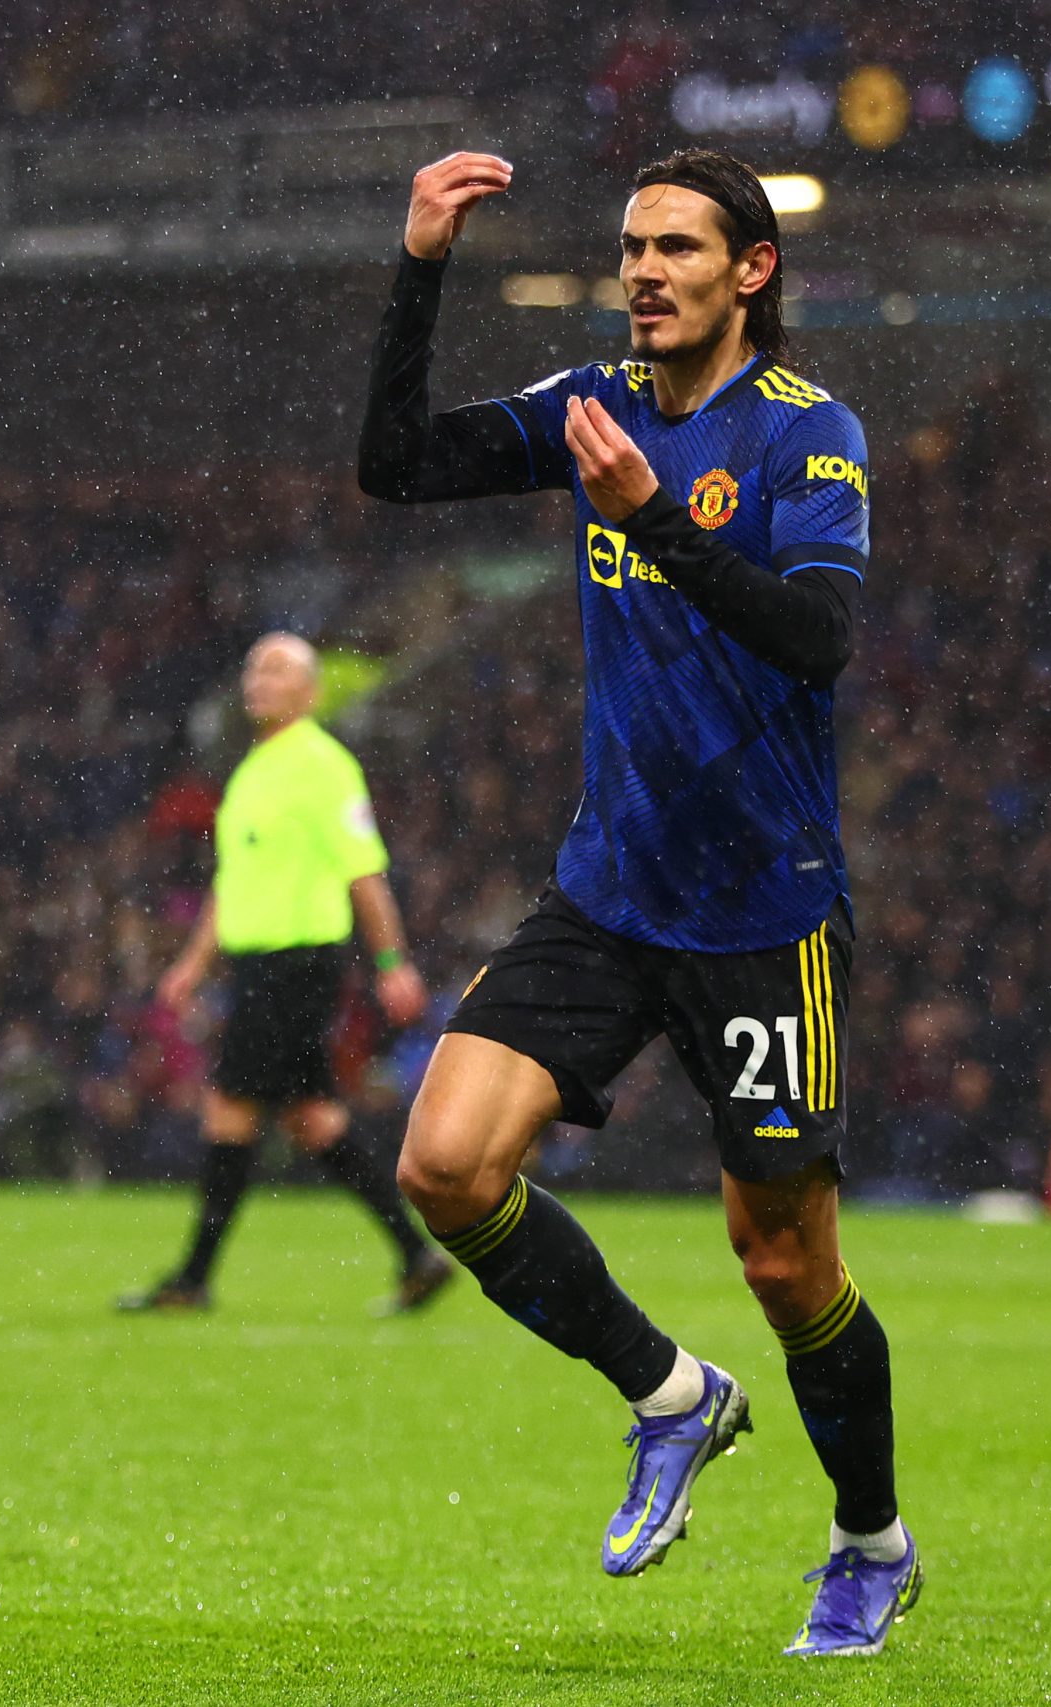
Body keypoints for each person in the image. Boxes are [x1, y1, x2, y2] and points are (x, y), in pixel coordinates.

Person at [358, 148, 912, 1657]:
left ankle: (869, 1538)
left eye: (678, 247)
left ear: (753, 272)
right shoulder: (592, 403)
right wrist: (420, 266)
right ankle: (674, 1394)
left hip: (764, 915)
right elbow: (395, 464)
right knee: (447, 1163)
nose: (645, 270)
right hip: (609, 894)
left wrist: (656, 515)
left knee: (785, 1257)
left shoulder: (811, 435)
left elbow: (818, 639)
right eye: (631, 247)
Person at [120, 634, 452, 1316]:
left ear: (309, 690)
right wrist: (190, 965)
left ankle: (192, 1278)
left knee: (230, 1108)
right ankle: (417, 1258)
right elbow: (231, 884)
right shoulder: (250, 772)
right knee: (312, 1117)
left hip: (297, 962)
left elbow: (365, 873)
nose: (258, 681)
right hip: (260, 963)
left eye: (276, 670)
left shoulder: (325, 767)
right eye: (253, 669)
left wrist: (392, 962)